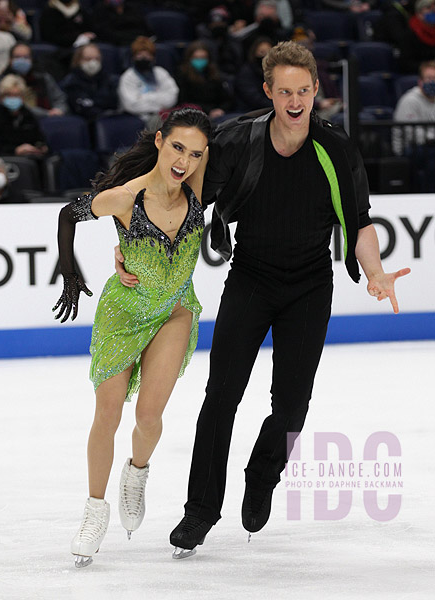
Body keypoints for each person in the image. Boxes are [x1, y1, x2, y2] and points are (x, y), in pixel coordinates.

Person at [157, 41, 408, 557]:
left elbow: (357, 221)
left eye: (304, 90)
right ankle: (199, 511)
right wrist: (136, 242)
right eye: (284, 91)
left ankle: (262, 473)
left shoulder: (336, 148)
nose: (295, 100)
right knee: (220, 398)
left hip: (310, 285)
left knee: (291, 407)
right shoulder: (237, 141)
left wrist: (377, 272)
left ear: (317, 90)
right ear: (268, 92)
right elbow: (183, 194)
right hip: (250, 278)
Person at [52, 107, 211, 568]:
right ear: (160, 142)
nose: (184, 161)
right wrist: (69, 271)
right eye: (178, 147)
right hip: (122, 314)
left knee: (149, 415)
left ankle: (136, 473)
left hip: (174, 311)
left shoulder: (199, 188)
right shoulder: (124, 197)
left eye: (196, 153)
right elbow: (68, 214)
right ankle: (94, 509)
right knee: (107, 414)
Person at [118, 36, 179, 129]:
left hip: (162, 115)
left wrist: (144, 98)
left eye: (147, 55)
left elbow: (172, 97)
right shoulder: (128, 77)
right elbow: (131, 105)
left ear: (153, 57)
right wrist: (159, 99)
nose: (143, 58)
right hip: (136, 118)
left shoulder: (161, 72)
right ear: (133, 57)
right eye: (139, 55)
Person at [393, 59, 435, 190]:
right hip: (409, 148)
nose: (432, 82)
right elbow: (412, 135)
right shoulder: (409, 100)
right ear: (420, 81)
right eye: (429, 78)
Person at [0, 42, 68, 117]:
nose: (21, 60)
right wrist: (46, 114)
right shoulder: (2, 81)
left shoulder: (43, 77)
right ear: (10, 60)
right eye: (17, 57)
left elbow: (59, 98)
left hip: (49, 119)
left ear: (32, 59)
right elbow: (18, 106)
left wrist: (58, 110)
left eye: (26, 57)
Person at [176, 40, 233, 121]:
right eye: (196, 58)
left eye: (203, 57)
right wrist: (209, 111)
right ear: (189, 58)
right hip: (194, 115)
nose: (200, 60)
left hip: (218, 113)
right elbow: (184, 101)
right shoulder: (182, 74)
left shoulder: (214, 73)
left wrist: (221, 109)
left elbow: (226, 98)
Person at [60, 43, 118, 121]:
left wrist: (95, 103)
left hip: (109, 120)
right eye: (88, 59)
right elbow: (83, 108)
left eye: (97, 59)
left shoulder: (110, 79)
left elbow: (113, 102)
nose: (93, 63)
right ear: (78, 61)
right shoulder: (70, 82)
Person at [0, 74, 48, 156]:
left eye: (16, 95)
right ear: (1, 97)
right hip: (5, 158)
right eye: (9, 95)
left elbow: (38, 138)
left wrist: (41, 147)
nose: (13, 99)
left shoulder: (28, 115)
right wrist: (15, 150)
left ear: (22, 97)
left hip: (29, 157)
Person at [234, 36, 274, 111]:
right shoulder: (246, 72)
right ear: (254, 53)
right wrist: (274, 105)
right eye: (262, 52)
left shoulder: (275, 71)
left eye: (269, 52)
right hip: (251, 111)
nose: (266, 56)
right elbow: (253, 98)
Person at [399, 0, 435, 73]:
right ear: (419, 13)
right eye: (428, 8)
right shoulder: (410, 33)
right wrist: (427, 67)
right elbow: (406, 64)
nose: (433, 11)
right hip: (419, 73)